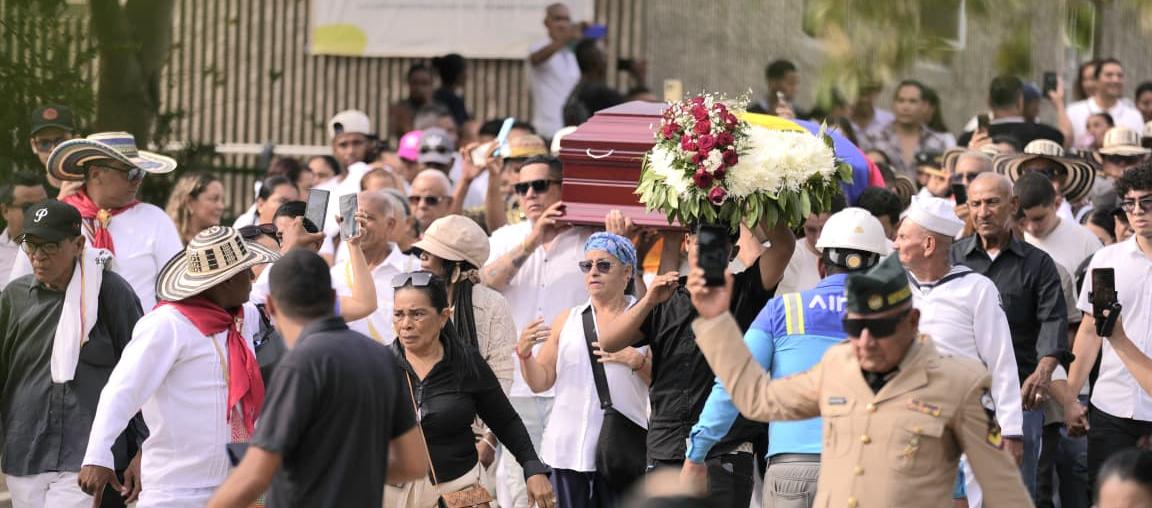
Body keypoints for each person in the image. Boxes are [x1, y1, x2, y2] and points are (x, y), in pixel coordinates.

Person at [687, 253, 1033, 507]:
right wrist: (717, 321)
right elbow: (757, 398)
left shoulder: (957, 380)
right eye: (854, 328)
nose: (864, 341)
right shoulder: (840, 365)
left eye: (879, 329)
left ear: (911, 322)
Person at [685, 209, 889, 508]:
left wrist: (697, 452)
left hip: (792, 473)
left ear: (821, 265)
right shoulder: (897, 323)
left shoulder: (784, 310)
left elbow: (733, 382)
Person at [596, 216, 795, 508]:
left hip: (724, 447)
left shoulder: (746, 289)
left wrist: (754, 195)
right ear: (687, 243)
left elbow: (784, 247)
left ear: (733, 251)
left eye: (717, 246)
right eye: (700, 243)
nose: (706, 253)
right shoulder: (665, 293)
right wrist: (649, 300)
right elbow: (609, 341)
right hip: (666, 445)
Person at [205, 249, 427, 508]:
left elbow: (255, 474)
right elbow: (413, 464)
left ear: (272, 306)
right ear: (333, 298)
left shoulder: (301, 364)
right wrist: (345, 466)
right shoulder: (382, 358)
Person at [79, 226, 279, 507]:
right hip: (178, 490)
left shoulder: (242, 315)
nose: (252, 276)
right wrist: (97, 455)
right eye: (245, 269)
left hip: (238, 483)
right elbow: (122, 390)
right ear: (222, 281)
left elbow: (277, 290)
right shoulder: (167, 325)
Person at [0, 200, 145, 508]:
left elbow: (142, 373)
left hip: (89, 460)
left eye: (49, 246)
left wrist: (143, 449)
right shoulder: (14, 299)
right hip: (25, 453)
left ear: (78, 244)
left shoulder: (110, 293)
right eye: (30, 245)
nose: (38, 256)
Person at [385, 271, 556, 508]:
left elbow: (505, 421)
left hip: (459, 491)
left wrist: (532, 467)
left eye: (418, 314)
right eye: (398, 314)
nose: (406, 324)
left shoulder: (466, 364)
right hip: (395, 494)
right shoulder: (379, 365)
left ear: (444, 317)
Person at [482, 155, 595, 508]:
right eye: (521, 187)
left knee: (568, 492)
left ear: (564, 188)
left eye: (540, 185)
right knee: (518, 493)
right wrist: (532, 240)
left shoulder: (590, 240)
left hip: (575, 387)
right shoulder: (506, 237)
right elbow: (486, 282)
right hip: (516, 386)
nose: (529, 194)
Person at [896, 196, 1024, 506]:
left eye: (902, 236)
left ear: (928, 245)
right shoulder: (890, 289)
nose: (894, 243)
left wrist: (1012, 430)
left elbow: (1001, 362)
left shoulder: (976, 289)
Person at [950, 173, 1069, 500]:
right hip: (961, 399)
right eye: (975, 204)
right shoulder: (953, 258)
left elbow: (1053, 322)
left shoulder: (1038, 264)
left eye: (992, 202)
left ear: (1013, 205)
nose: (983, 212)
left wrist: (1042, 373)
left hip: (1019, 398)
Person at [519, 232, 651, 505]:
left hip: (619, 453)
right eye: (587, 265)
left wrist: (635, 360)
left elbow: (665, 382)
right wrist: (524, 355)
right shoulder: (566, 319)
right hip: (565, 451)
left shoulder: (646, 319)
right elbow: (541, 381)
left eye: (604, 265)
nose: (593, 272)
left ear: (627, 272)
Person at [9, 132, 182, 309]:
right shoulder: (51, 218)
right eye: (131, 173)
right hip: (67, 333)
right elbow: (20, 289)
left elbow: (178, 290)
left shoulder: (155, 219)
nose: (137, 181)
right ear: (96, 174)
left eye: (141, 172)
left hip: (140, 334)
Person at [1063, 163, 1152, 490]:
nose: (1138, 212)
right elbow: (1090, 330)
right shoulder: (1107, 260)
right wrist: (1070, 397)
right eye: (1129, 204)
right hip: (1111, 407)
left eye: (1147, 202)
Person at [412, 214, 515, 393]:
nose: (423, 257)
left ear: (456, 265)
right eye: (423, 251)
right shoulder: (413, 300)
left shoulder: (492, 306)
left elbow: (501, 377)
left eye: (432, 252)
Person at [330, 190, 415, 343]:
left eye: (367, 217)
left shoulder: (415, 270)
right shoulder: (335, 274)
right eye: (353, 218)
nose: (359, 224)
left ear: (390, 225)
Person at [860, 80, 955, 178]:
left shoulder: (939, 141)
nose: (905, 107)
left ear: (924, 106)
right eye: (901, 101)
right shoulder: (872, 137)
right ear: (893, 104)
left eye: (912, 101)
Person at [1017, 173, 1103, 278]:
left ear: (1056, 204)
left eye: (1038, 219)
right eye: (1022, 222)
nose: (1031, 228)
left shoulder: (1086, 242)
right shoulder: (1010, 241)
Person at [993, 139, 1097, 225]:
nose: (1037, 180)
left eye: (1047, 172)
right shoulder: (1008, 214)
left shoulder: (1083, 216)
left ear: (1063, 178)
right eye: (1030, 172)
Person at [958, 76, 1064, 148]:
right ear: (1020, 102)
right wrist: (1059, 104)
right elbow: (1067, 139)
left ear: (989, 102)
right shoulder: (1047, 135)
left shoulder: (968, 140)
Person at [529, 2, 582, 138]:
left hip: (571, 127)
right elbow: (536, 59)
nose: (563, 24)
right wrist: (566, 39)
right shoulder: (538, 46)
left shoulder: (571, 53)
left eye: (566, 19)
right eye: (558, 19)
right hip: (547, 128)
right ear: (547, 22)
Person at [1067, 58, 1145, 147]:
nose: (1115, 80)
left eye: (1120, 76)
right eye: (1109, 75)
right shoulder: (1074, 111)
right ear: (1096, 80)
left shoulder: (1134, 116)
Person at [778, 198, 845, 295]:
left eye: (826, 229)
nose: (818, 238)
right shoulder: (791, 256)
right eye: (811, 230)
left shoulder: (855, 253)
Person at [562, 38, 626, 127]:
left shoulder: (574, 94)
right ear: (597, 61)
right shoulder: (606, 96)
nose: (607, 61)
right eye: (605, 56)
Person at [0, 172, 48, 289]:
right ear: (5, 211)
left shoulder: (64, 248)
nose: (39, 213)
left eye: (44, 205)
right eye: (29, 207)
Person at [28, 104, 79, 192]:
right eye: (44, 143)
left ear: (76, 141)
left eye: (61, 141)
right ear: (34, 146)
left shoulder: (95, 184)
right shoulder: (28, 192)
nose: (53, 149)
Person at [165, 172, 226, 245]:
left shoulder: (222, 244)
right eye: (214, 199)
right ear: (190, 202)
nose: (221, 206)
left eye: (222, 200)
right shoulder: (170, 242)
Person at [232, 175, 299, 229]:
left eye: (295, 204)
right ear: (260, 205)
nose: (291, 208)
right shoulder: (243, 235)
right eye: (283, 201)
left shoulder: (301, 242)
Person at [390, 64, 436, 142]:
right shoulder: (400, 109)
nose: (419, 88)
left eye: (424, 83)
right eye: (415, 83)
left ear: (431, 85)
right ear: (409, 84)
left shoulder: (441, 110)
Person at [432, 54, 471, 128]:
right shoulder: (454, 100)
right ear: (458, 75)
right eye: (465, 71)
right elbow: (461, 125)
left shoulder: (435, 95)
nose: (467, 75)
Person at [409, 169, 454, 234]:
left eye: (431, 200)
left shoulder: (457, 241)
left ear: (448, 203)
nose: (421, 205)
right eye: (416, 199)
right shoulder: (399, 239)